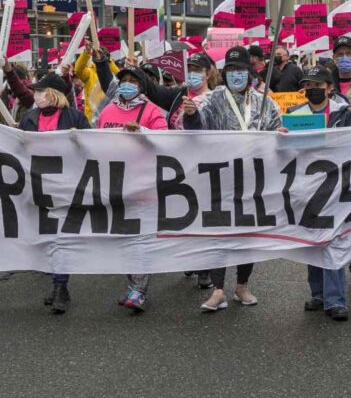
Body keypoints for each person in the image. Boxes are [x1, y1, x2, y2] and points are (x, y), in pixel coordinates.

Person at [184, 46, 282, 311]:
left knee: (246, 233)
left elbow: (278, 132)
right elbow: (198, 130)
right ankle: (217, 290)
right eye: (230, 71)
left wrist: (281, 133)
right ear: (224, 74)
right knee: (219, 232)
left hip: (252, 179)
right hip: (220, 177)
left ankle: (242, 285)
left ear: (250, 74)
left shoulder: (265, 102)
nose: (235, 75)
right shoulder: (214, 99)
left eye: (240, 70)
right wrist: (191, 114)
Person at [95, 66, 167, 312]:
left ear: (142, 85)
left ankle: (139, 290)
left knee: (141, 237)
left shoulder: (153, 111)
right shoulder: (107, 111)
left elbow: (167, 142)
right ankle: (133, 284)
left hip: (144, 183)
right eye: (123, 80)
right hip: (114, 183)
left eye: (132, 81)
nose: (127, 84)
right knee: (122, 237)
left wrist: (143, 132)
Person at [19, 73, 91, 314]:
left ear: (55, 94)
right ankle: (58, 282)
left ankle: (61, 285)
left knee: (62, 238)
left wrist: (78, 140)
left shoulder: (75, 117)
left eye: (41, 90)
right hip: (38, 186)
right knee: (48, 238)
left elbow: (93, 148)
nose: (37, 95)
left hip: (66, 186)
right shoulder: (29, 117)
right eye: (36, 91)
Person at [290, 66, 351, 321]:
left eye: (318, 86)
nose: (313, 90)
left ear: (329, 88)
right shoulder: (295, 114)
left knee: (332, 240)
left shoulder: (342, 114)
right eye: (309, 86)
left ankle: (335, 299)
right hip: (306, 185)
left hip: (334, 183)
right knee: (313, 240)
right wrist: (282, 136)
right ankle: (318, 294)